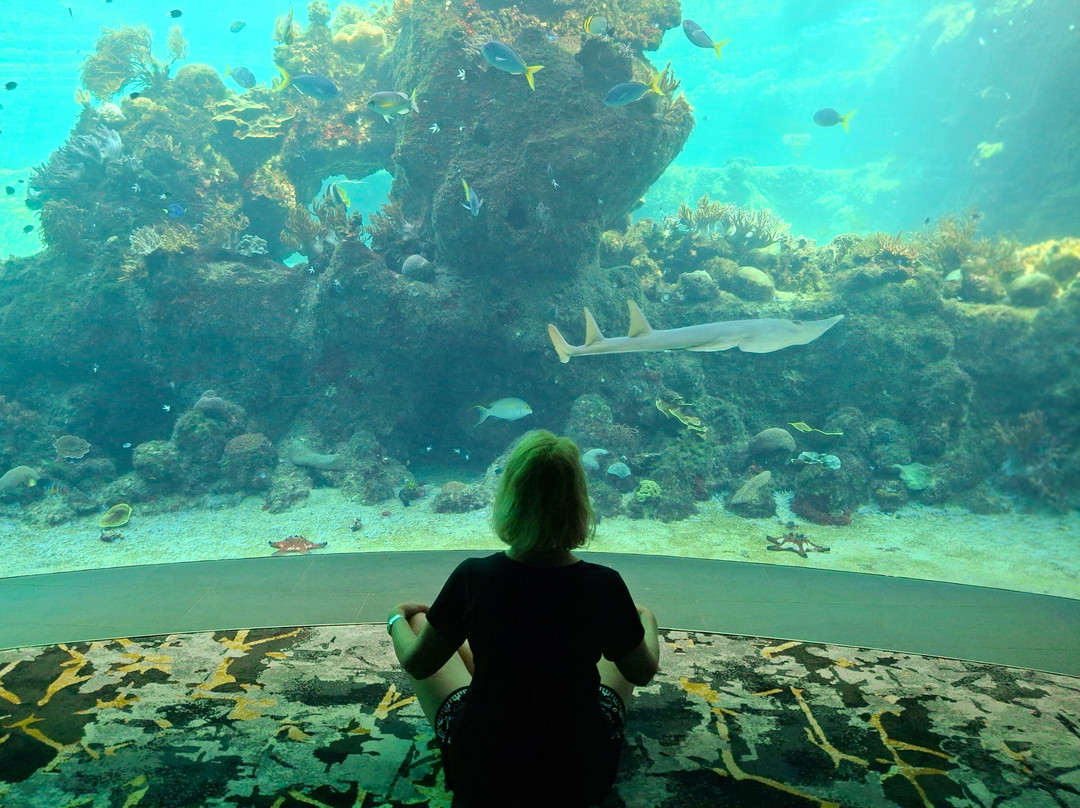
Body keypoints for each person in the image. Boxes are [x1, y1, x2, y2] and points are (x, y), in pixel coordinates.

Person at [386, 430, 661, 808]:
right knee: (625, 648)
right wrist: (647, 618)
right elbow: (641, 672)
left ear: (510, 497)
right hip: (579, 767)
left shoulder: (473, 577)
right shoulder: (604, 585)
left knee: (421, 622)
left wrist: (394, 620)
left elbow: (418, 664)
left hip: (486, 764)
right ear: (577, 501)